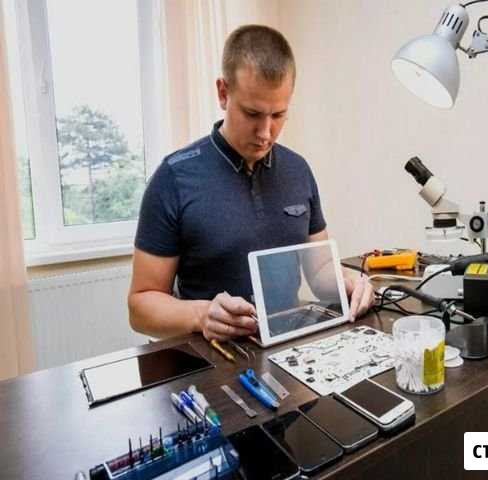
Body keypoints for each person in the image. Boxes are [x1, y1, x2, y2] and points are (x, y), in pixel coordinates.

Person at [128, 25, 374, 341]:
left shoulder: (298, 170)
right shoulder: (173, 178)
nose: (265, 133)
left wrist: (350, 283)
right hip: (213, 356)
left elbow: (319, 270)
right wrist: (201, 314)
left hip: (288, 347)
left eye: (278, 115)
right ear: (223, 93)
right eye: (252, 113)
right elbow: (140, 307)